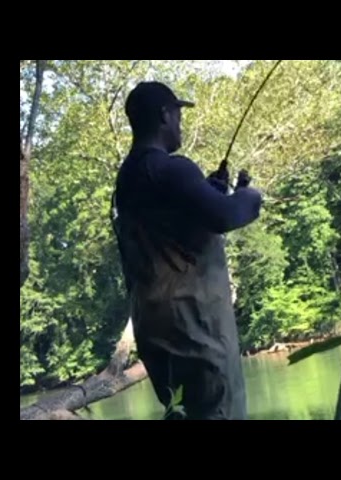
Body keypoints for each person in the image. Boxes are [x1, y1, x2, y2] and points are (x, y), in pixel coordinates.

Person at [112, 81, 262, 419]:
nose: (180, 122)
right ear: (165, 115)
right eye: (178, 114)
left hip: (155, 330)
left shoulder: (129, 178)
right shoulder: (172, 168)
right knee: (218, 410)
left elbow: (171, 222)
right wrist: (249, 197)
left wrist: (211, 189)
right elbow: (226, 215)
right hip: (196, 330)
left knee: (182, 412)